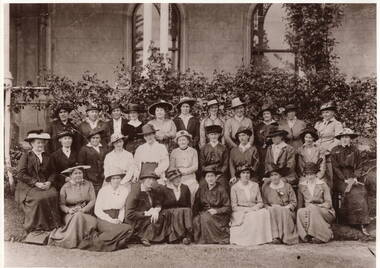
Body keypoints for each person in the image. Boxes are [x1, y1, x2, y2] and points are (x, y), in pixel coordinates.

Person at [15, 130, 62, 234]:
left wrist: (49, 182)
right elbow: (20, 174)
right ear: (32, 144)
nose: (40, 145)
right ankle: (37, 226)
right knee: (39, 198)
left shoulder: (47, 156)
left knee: (53, 194)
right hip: (28, 186)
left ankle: (53, 224)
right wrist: (36, 183)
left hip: (45, 184)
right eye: (38, 142)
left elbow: (53, 172)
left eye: (42, 142)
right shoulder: (26, 156)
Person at [331, 128, 370, 235]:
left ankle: (362, 223)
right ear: (340, 139)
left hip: (353, 177)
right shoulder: (335, 150)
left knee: (361, 191)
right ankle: (347, 222)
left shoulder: (355, 150)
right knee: (350, 192)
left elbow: (359, 166)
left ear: (350, 139)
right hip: (340, 179)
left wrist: (355, 178)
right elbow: (335, 168)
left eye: (347, 137)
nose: (345, 139)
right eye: (343, 137)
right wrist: (345, 179)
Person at [49, 165, 97, 249]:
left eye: (80, 173)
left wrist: (83, 210)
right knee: (77, 216)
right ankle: (71, 241)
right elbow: (61, 204)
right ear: (70, 176)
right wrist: (69, 210)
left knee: (79, 215)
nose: (78, 175)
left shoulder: (89, 184)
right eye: (75, 173)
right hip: (70, 215)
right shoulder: (65, 187)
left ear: (83, 174)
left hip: (86, 213)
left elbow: (93, 200)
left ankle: (73, 241)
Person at [125, 167, 171, 247]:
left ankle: (149, 236)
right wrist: (146, 213)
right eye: (148, 179)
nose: (151, 182)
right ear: (143, 180)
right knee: (156, 219)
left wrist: (156, 210)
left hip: (148, 219)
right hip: (137, 221)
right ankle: (145, 236)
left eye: (153, 180)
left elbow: (158, 203)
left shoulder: (152, 191)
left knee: (164, 214)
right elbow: (129, 214)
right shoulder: (135, 193)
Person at [229, 165, 272, 246]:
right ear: (239, 175)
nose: (246, 175)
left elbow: (260, 202)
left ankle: (260, 239)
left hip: (254, 209)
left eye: (248, 173)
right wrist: (246, 210)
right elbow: (234, 206)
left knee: (264, 213)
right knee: (251, 216)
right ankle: (248, 240)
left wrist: (254, 208)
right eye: (243, 173)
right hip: (241, 211)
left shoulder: (255, 185)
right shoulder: (234, 187)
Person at [93, 173, 133, 251]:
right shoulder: (103, 190)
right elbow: (97, 210)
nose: (116, 181)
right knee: (119, 230)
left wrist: (120, 220)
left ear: (121, 179)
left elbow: (123, 208)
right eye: (113, 178)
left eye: (118, 178)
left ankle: (113, 242)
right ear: (110, 180)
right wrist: (111, 220)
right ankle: (106, 241)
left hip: (117, 216)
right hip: (104, 218)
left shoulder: (124, 190)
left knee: (129, 228)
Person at [297, 162, 335, 243]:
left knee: (313, 208)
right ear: (305, 175)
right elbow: (300, 205)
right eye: (307, 174)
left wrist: (319, 205)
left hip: (325, 211)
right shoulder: (301, 186)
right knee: (300, 211)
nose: (309, 177)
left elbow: (328, 203)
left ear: (316, 174)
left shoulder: (322, 184)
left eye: (312, 174)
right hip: (309, 209)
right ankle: (306, 235)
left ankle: (322, 236)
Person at [193, 165, 231, 244]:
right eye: (208, 176)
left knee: (206, 218)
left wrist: (216, 211)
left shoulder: (221, 189)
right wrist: (195, 214)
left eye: (212, 176)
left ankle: (215, 239)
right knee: (196, 220)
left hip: (219, 215)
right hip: (205, 212)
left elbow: (227, 207)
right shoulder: (201, 189)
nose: (210, 179)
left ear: (216, 177)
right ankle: (196, 238)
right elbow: (196, 204)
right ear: (205, 178)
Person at [262, 168, 299, 245]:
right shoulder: (266, 188)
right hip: (273, 210)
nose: (274, 177)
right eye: (271, 175)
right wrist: (269, 207)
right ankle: (275, 236)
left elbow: (294, 202)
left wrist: (286, 207)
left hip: (286, 210)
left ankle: (285, 236)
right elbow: (264, 202)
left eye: (276, 175)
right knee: (272, 211)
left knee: (282, 211)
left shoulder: (287, 186)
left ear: (280, 176)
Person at [314, 101, 344, 190]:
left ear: (333, 112)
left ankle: (330, 195)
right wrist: (316, 147)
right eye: (323, 112)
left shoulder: (337, 124)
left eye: (327, 112)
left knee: (329, 176)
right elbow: (316, 138)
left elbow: (338, 140)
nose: (325, 114)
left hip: (330, 154)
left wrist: (327, 150)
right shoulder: (319, 124)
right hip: (319, 152)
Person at [162, 168, 193, 244]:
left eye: (179, 177)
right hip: (169, 212)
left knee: (187, 210)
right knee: (178, 212)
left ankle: (187, 236)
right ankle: (177, 236)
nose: (177, 180)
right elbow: (162, 205)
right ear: (170, 180)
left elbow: (188, 204)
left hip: (183, 213)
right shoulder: (165, 189)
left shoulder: (185, 188)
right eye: (174, 178)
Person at [169, 130, 199, 205]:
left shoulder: (193, 151)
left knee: (192, 188)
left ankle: (190, 209)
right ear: (177, 142)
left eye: (184, 140)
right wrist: (178, 173)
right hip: (177, 176)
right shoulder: (174, 152)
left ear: (188, 141)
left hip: (190, 177)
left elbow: (195, 166)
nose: (182, 142)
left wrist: (185, 171)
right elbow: (172, 167)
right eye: (180, 140)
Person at [78, 128, 107, 194]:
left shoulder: (104, 148)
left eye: (97, 138)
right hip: (90, 178)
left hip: (102, 177)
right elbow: (81, 165)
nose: (95, 140)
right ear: (90, 139)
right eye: (93, 138)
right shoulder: (84, 149)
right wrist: (85, 178)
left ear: (100, 139)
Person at [199, 125, 229, 189]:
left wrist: (219, 174)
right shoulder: (204, 148)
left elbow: (225, 164)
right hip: (207, 173)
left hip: (219, 173)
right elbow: (202, 164)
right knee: (202, 185)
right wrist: (207, 174)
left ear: (219, 135)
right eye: (211, 134)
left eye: (215, 134)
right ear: (208, 136)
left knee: (223, 185)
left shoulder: (223, 148)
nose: (214, 136)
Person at [255, 104, 279, 179]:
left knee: (272, 165)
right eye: (264, 114)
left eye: (268, 113)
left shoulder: (276, 125)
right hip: (261, 150)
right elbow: (256, 138)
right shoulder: (259, 126)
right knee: (261, 165)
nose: (266, 115)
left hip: (272, 148)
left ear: (271, 115)